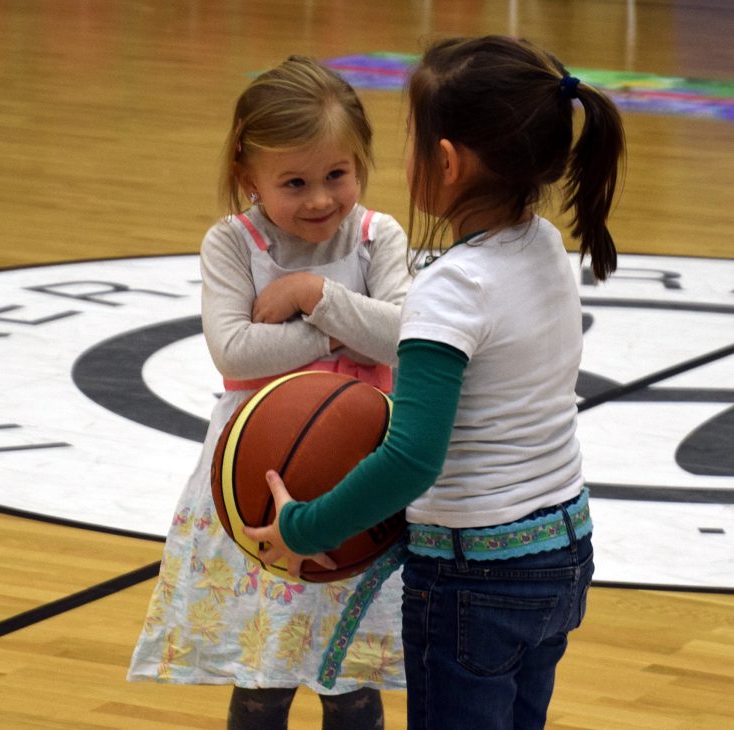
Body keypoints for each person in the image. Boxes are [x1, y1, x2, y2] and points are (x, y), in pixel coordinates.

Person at [245, 35, 626, 730]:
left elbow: (412, 458)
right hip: (563, 552)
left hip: (474, 578)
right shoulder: (542, 243)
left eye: (415, 140)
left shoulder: (449, 290)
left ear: (446, 162)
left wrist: (304, 526)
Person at [127, 55, 412, 729]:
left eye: (337, 175)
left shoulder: (380, 237)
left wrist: (313, 296)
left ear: (362, 163)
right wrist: (343, 332)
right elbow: (235, 352)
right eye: (295, 182)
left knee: (349, 674)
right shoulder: (232, 244)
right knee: (263, 676)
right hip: (257, 472)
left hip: (362, 472)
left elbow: (404, 338)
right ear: (245, 174)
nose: (319, 199)